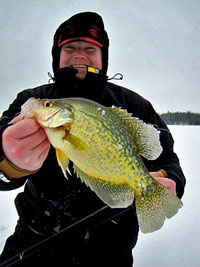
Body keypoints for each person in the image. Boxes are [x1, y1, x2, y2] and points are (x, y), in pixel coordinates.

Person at [0, 12, 185, 267]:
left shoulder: (134, 105)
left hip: (110, 253)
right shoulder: (31, 100)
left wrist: (168, 177)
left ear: (103, 57)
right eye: (70, 48)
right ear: (57, 56)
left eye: (89, 48)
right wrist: (9, 164)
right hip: (32, 245)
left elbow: (169, 161)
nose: (79, 54)